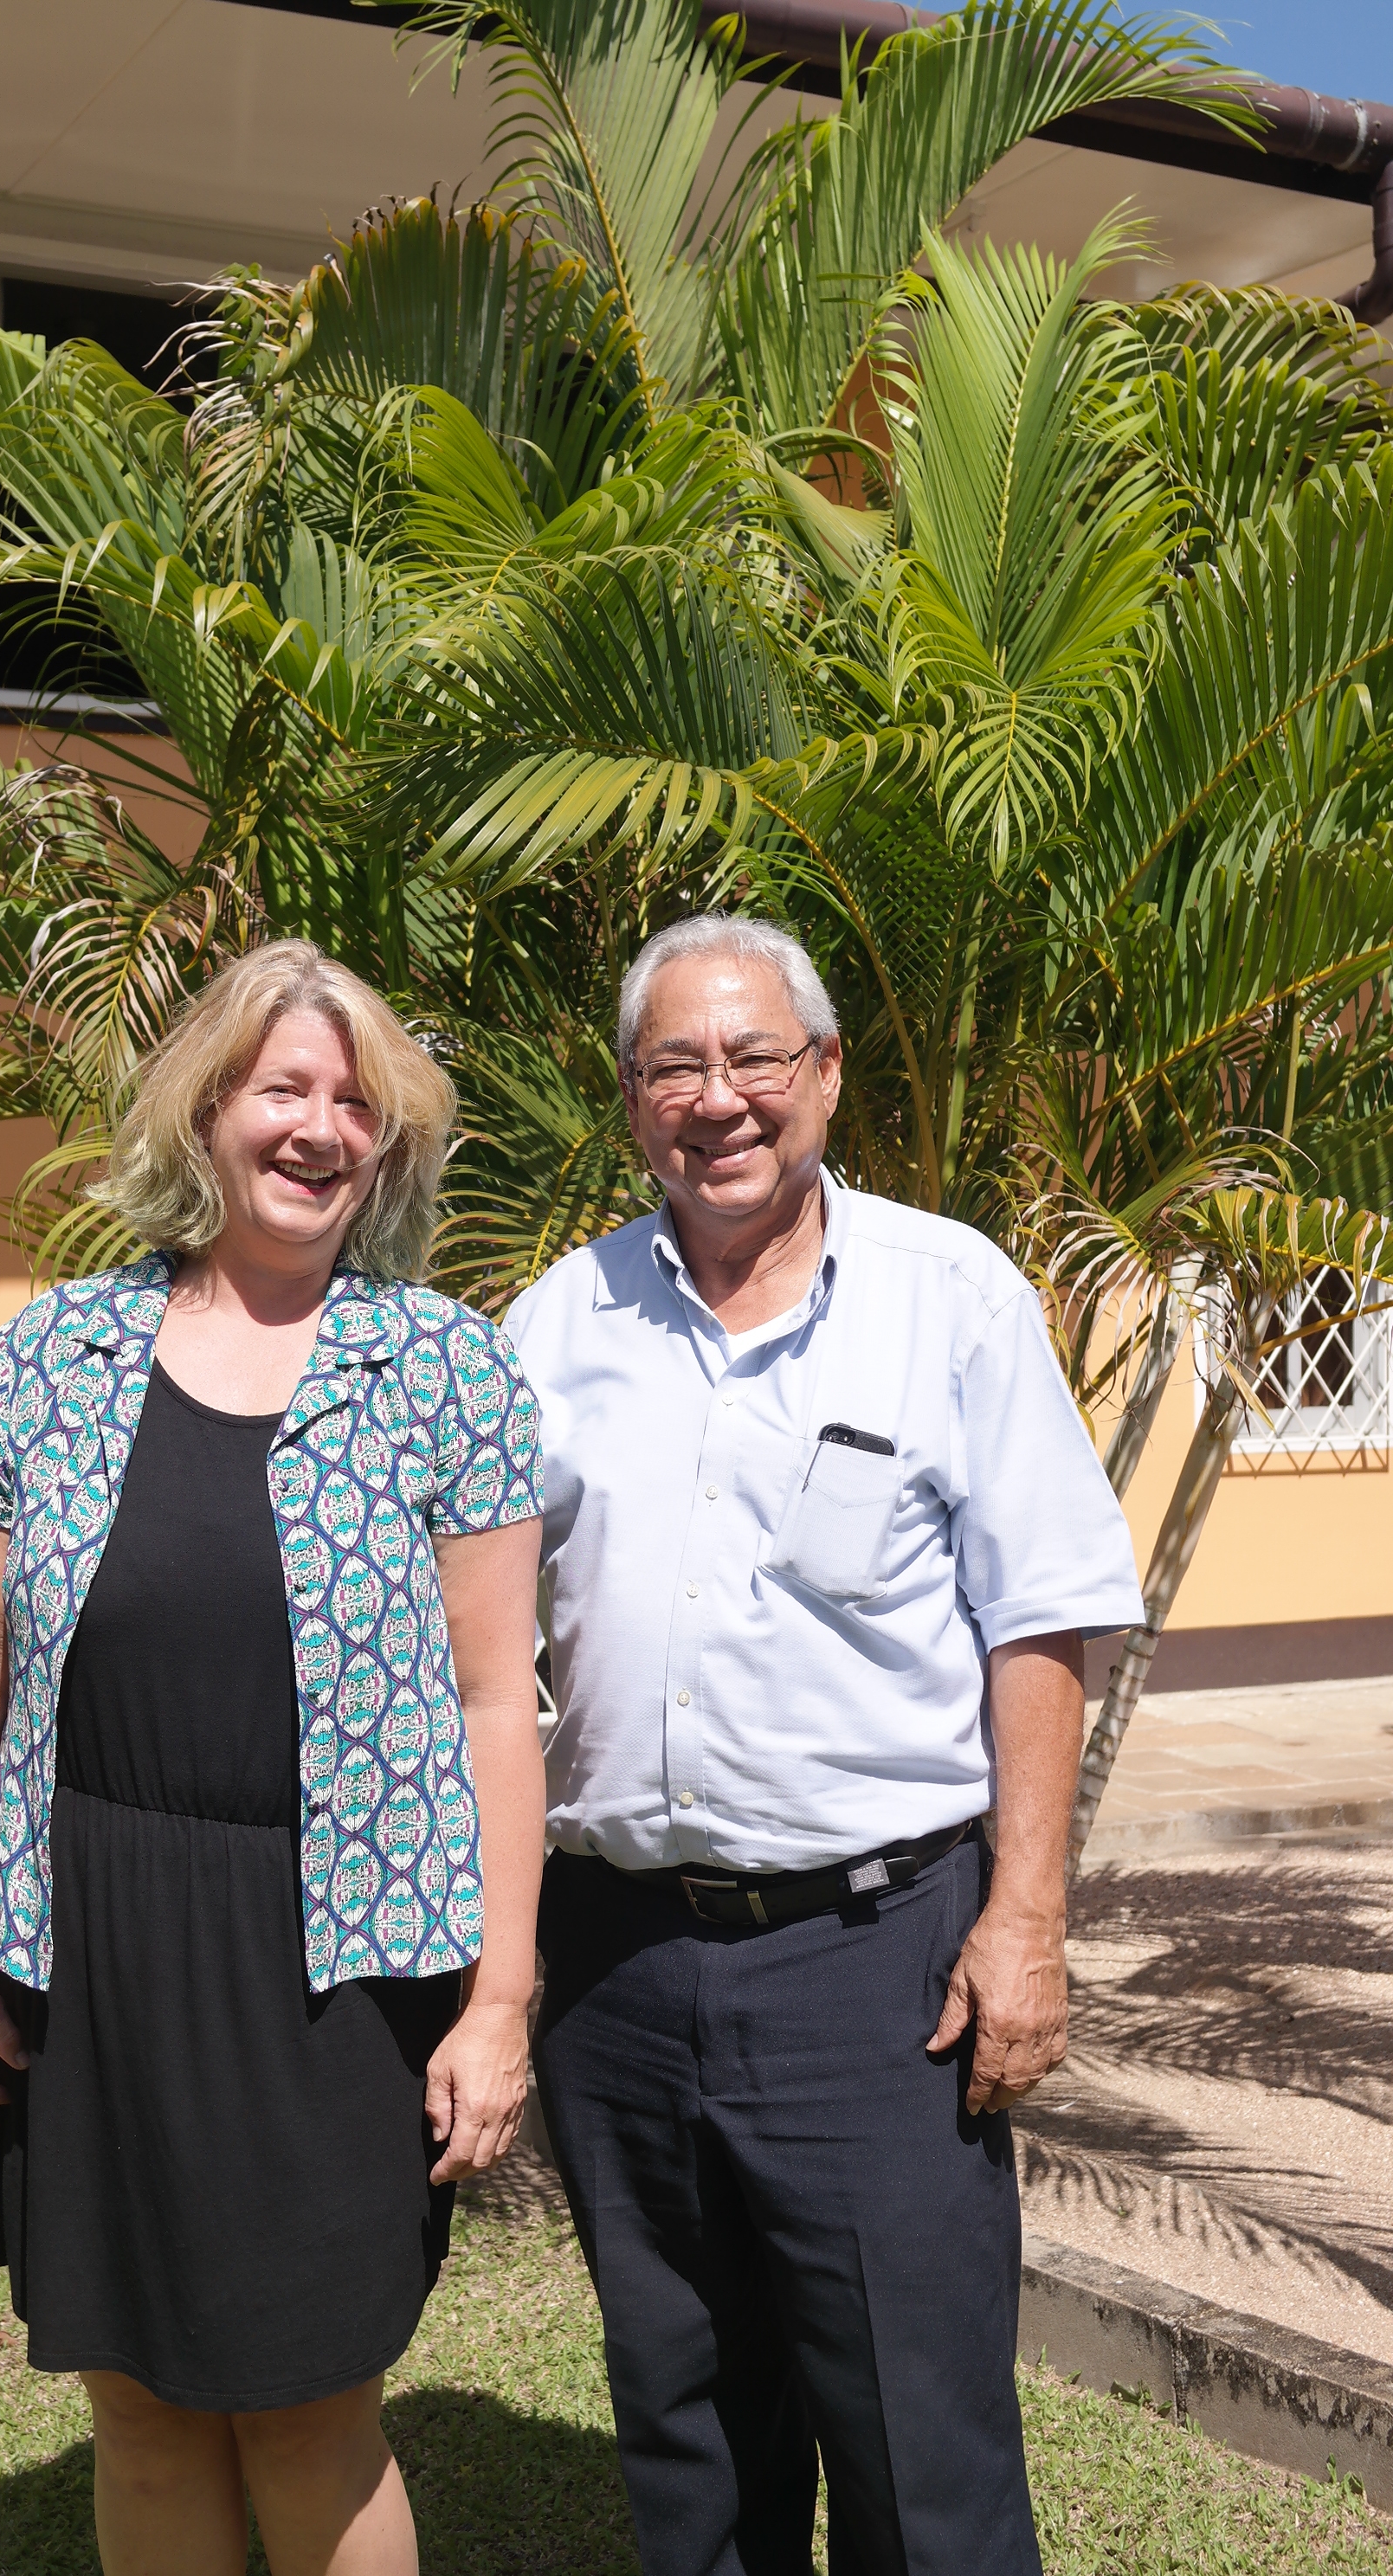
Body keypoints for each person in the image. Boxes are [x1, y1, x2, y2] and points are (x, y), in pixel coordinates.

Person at [0, 940, 546, 2576]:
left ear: (386, 1147)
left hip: (334, 1967)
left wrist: (501, 1997)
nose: (320, 1128)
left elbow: (493, 1700)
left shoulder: (444, 1370)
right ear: (207, 1113)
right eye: (285, 1089)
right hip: (91, 1951)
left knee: (314, 2408)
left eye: (357, 1103)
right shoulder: (50, 1357)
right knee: (137, 2403)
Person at [506, 914, 1145, 2576]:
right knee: (687, 2429)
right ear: (630, 1096)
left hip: (877, 1970)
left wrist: (1025, 1922)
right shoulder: (554, 1325)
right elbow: (486, 1647)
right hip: (617, 1969)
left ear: (825, 1074)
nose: (718, 1101)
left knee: (916, 2452)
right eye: (675, 1068)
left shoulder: (951, 1300)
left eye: (754, 1059)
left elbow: (1046, 1619)